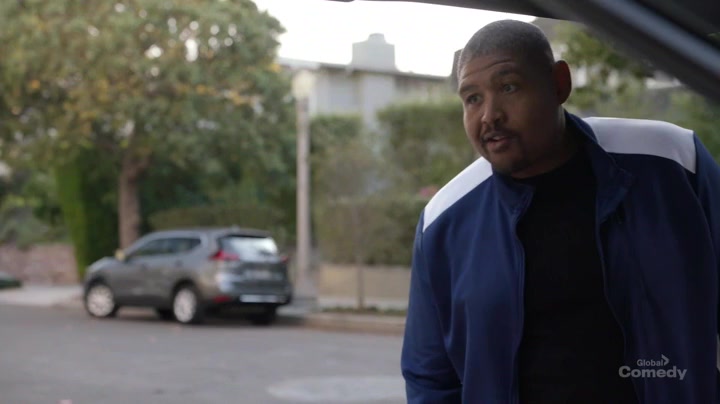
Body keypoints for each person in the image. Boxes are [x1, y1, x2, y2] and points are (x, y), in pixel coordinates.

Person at [401, 19, 720, 404]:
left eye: (508, 87)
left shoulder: (672, 161)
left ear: (559, 84)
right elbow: (431, 378)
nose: (489, 115)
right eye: (472, 98)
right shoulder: (444, 220)